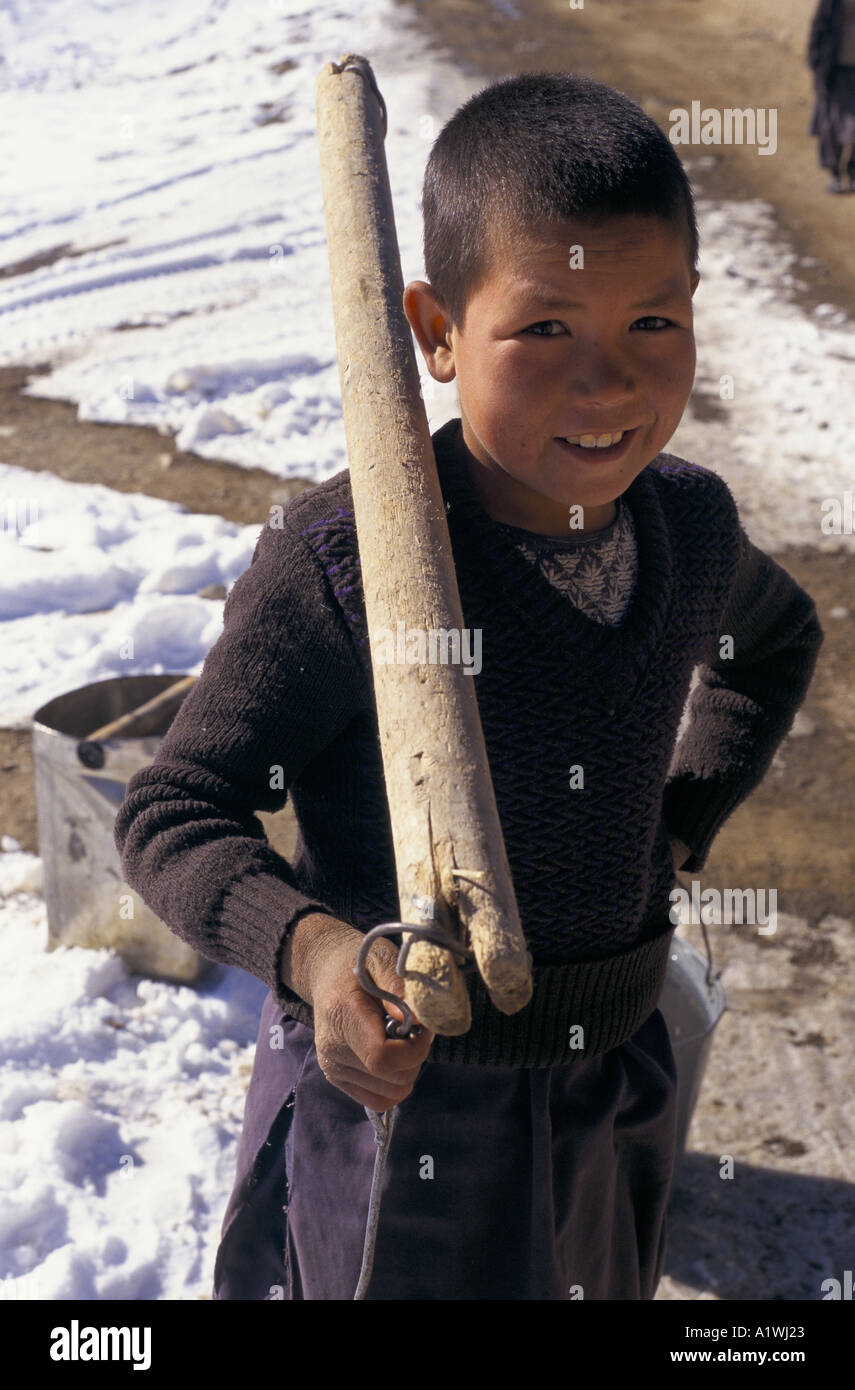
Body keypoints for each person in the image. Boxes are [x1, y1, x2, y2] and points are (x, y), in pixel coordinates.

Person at [113, 72, 823, 1301]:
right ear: (436, 331)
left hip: (609, 1088)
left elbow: (774, 640)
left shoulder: (693, 528)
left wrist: (677, 817)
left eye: (652, 324)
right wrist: (321, 953)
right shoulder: (347, 564)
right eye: (544, 328)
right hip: (399, 1113)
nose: (606, 384)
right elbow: (173, 810)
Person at [808, 0, 855, 192]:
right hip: (834, 72)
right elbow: (818, 29)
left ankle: (853, 173)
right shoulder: (831, 3)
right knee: (831, 126)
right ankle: (834, 173)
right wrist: (816, 63)